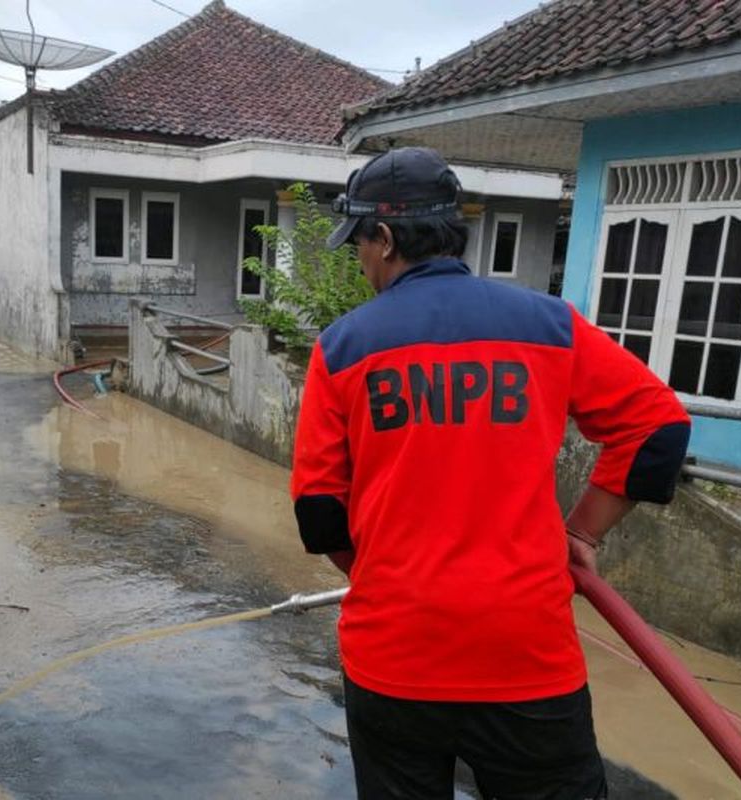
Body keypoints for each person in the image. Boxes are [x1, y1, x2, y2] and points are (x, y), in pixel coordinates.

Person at [291, 147, 691, 800]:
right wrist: (582, 534)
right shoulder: (549, 326)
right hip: (528, 659)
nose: (360, 261)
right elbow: (659, 429)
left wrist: (385, 579)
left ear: (385, 238)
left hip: (394, 660)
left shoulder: (343, 347)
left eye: (359, 243)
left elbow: (318, 508)